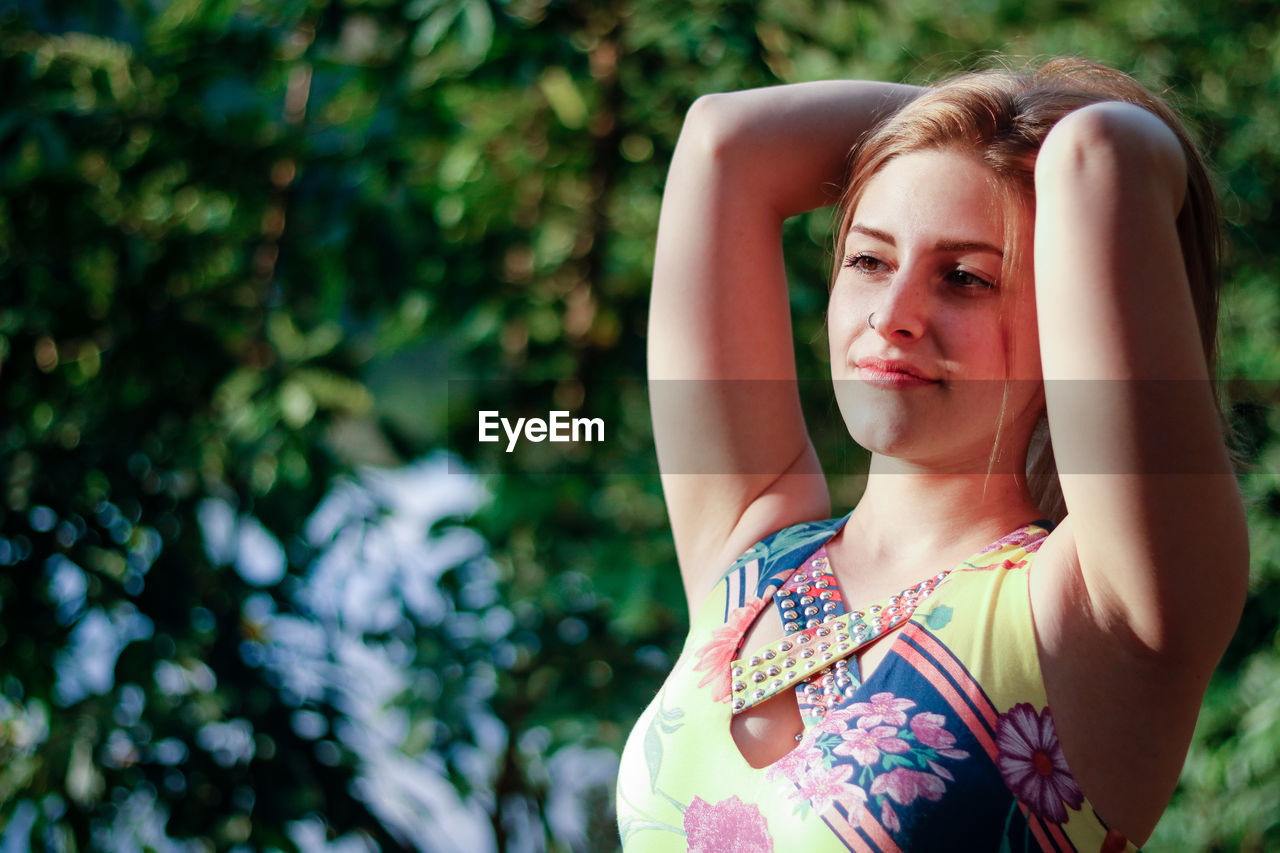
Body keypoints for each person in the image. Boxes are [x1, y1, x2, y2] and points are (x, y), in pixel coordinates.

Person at [616, 57, 1249, 852]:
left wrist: (1018, 126)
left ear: (1077, 307)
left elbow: (1099, 150)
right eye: (870, 260)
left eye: (963, 277)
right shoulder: (753, 553)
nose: (892, 314)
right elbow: (723, 140)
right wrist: (967, 131)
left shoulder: (1100, 610)